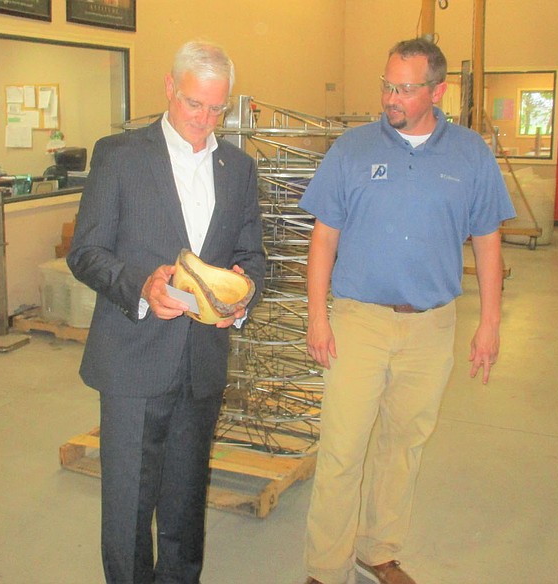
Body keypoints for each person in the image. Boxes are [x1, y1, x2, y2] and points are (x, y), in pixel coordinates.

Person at [299, 38, 515, 584]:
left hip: (431, 326)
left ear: (437, 91)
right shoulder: (351, 149)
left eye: (403, 88)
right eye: (386, 84)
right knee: (343, 449)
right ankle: (326, 568)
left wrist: (489, 324)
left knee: (403, 446)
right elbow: (323, 238)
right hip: (358, 320)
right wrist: (317, 315)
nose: (390, 97)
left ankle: (379, 550)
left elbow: (487, 241)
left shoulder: (470, 154)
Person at [66, 40, 265, 584]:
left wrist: (243, 297)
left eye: (216, 108)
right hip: (133, 360)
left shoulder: (238, 168)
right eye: (193, 104)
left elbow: (252, 257)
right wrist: (139, 284)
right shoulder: (120, 156)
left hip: (201, 363)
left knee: (184, 501)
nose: (204, 120)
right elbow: (84, 253)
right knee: (129, 503)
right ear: (169, 88)